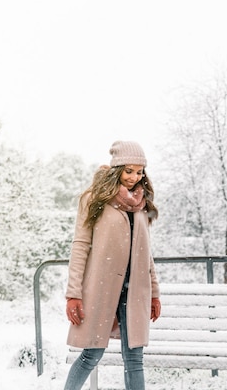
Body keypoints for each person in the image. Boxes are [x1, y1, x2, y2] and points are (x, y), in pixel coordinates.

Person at [64, 140, 161, 390]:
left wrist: (154, 293)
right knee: (91, 355)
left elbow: (145, 251)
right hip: (102, 288)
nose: (134, 177)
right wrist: (73, 293)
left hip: (135, 290)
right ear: (118, 169)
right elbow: (80, 245)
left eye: (139, 172)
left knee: (134, 359)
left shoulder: (142, 203)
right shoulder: (94, 199)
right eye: (129, 170)